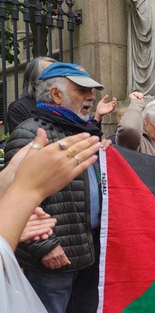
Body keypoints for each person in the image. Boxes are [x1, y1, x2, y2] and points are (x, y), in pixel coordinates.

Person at [4, 62, 112, 312]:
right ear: (56, 94)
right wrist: (45, 246)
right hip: (52, 261)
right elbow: (16, 199)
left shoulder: (83, 132)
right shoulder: (31, 134)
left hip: (88, 253)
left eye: (91, 90)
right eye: (82, 90)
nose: (91, 97)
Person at [0, 129, 105, 312]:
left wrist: (8, 181)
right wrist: (27, 192)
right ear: (56, 97)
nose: (89, 98)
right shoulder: (28, 131)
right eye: (81, 96)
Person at [7, 56, 56, 132]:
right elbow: (22, 140)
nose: (57, 76)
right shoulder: (19, 108)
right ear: (35, 80)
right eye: (50, 72)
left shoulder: (65, 103)